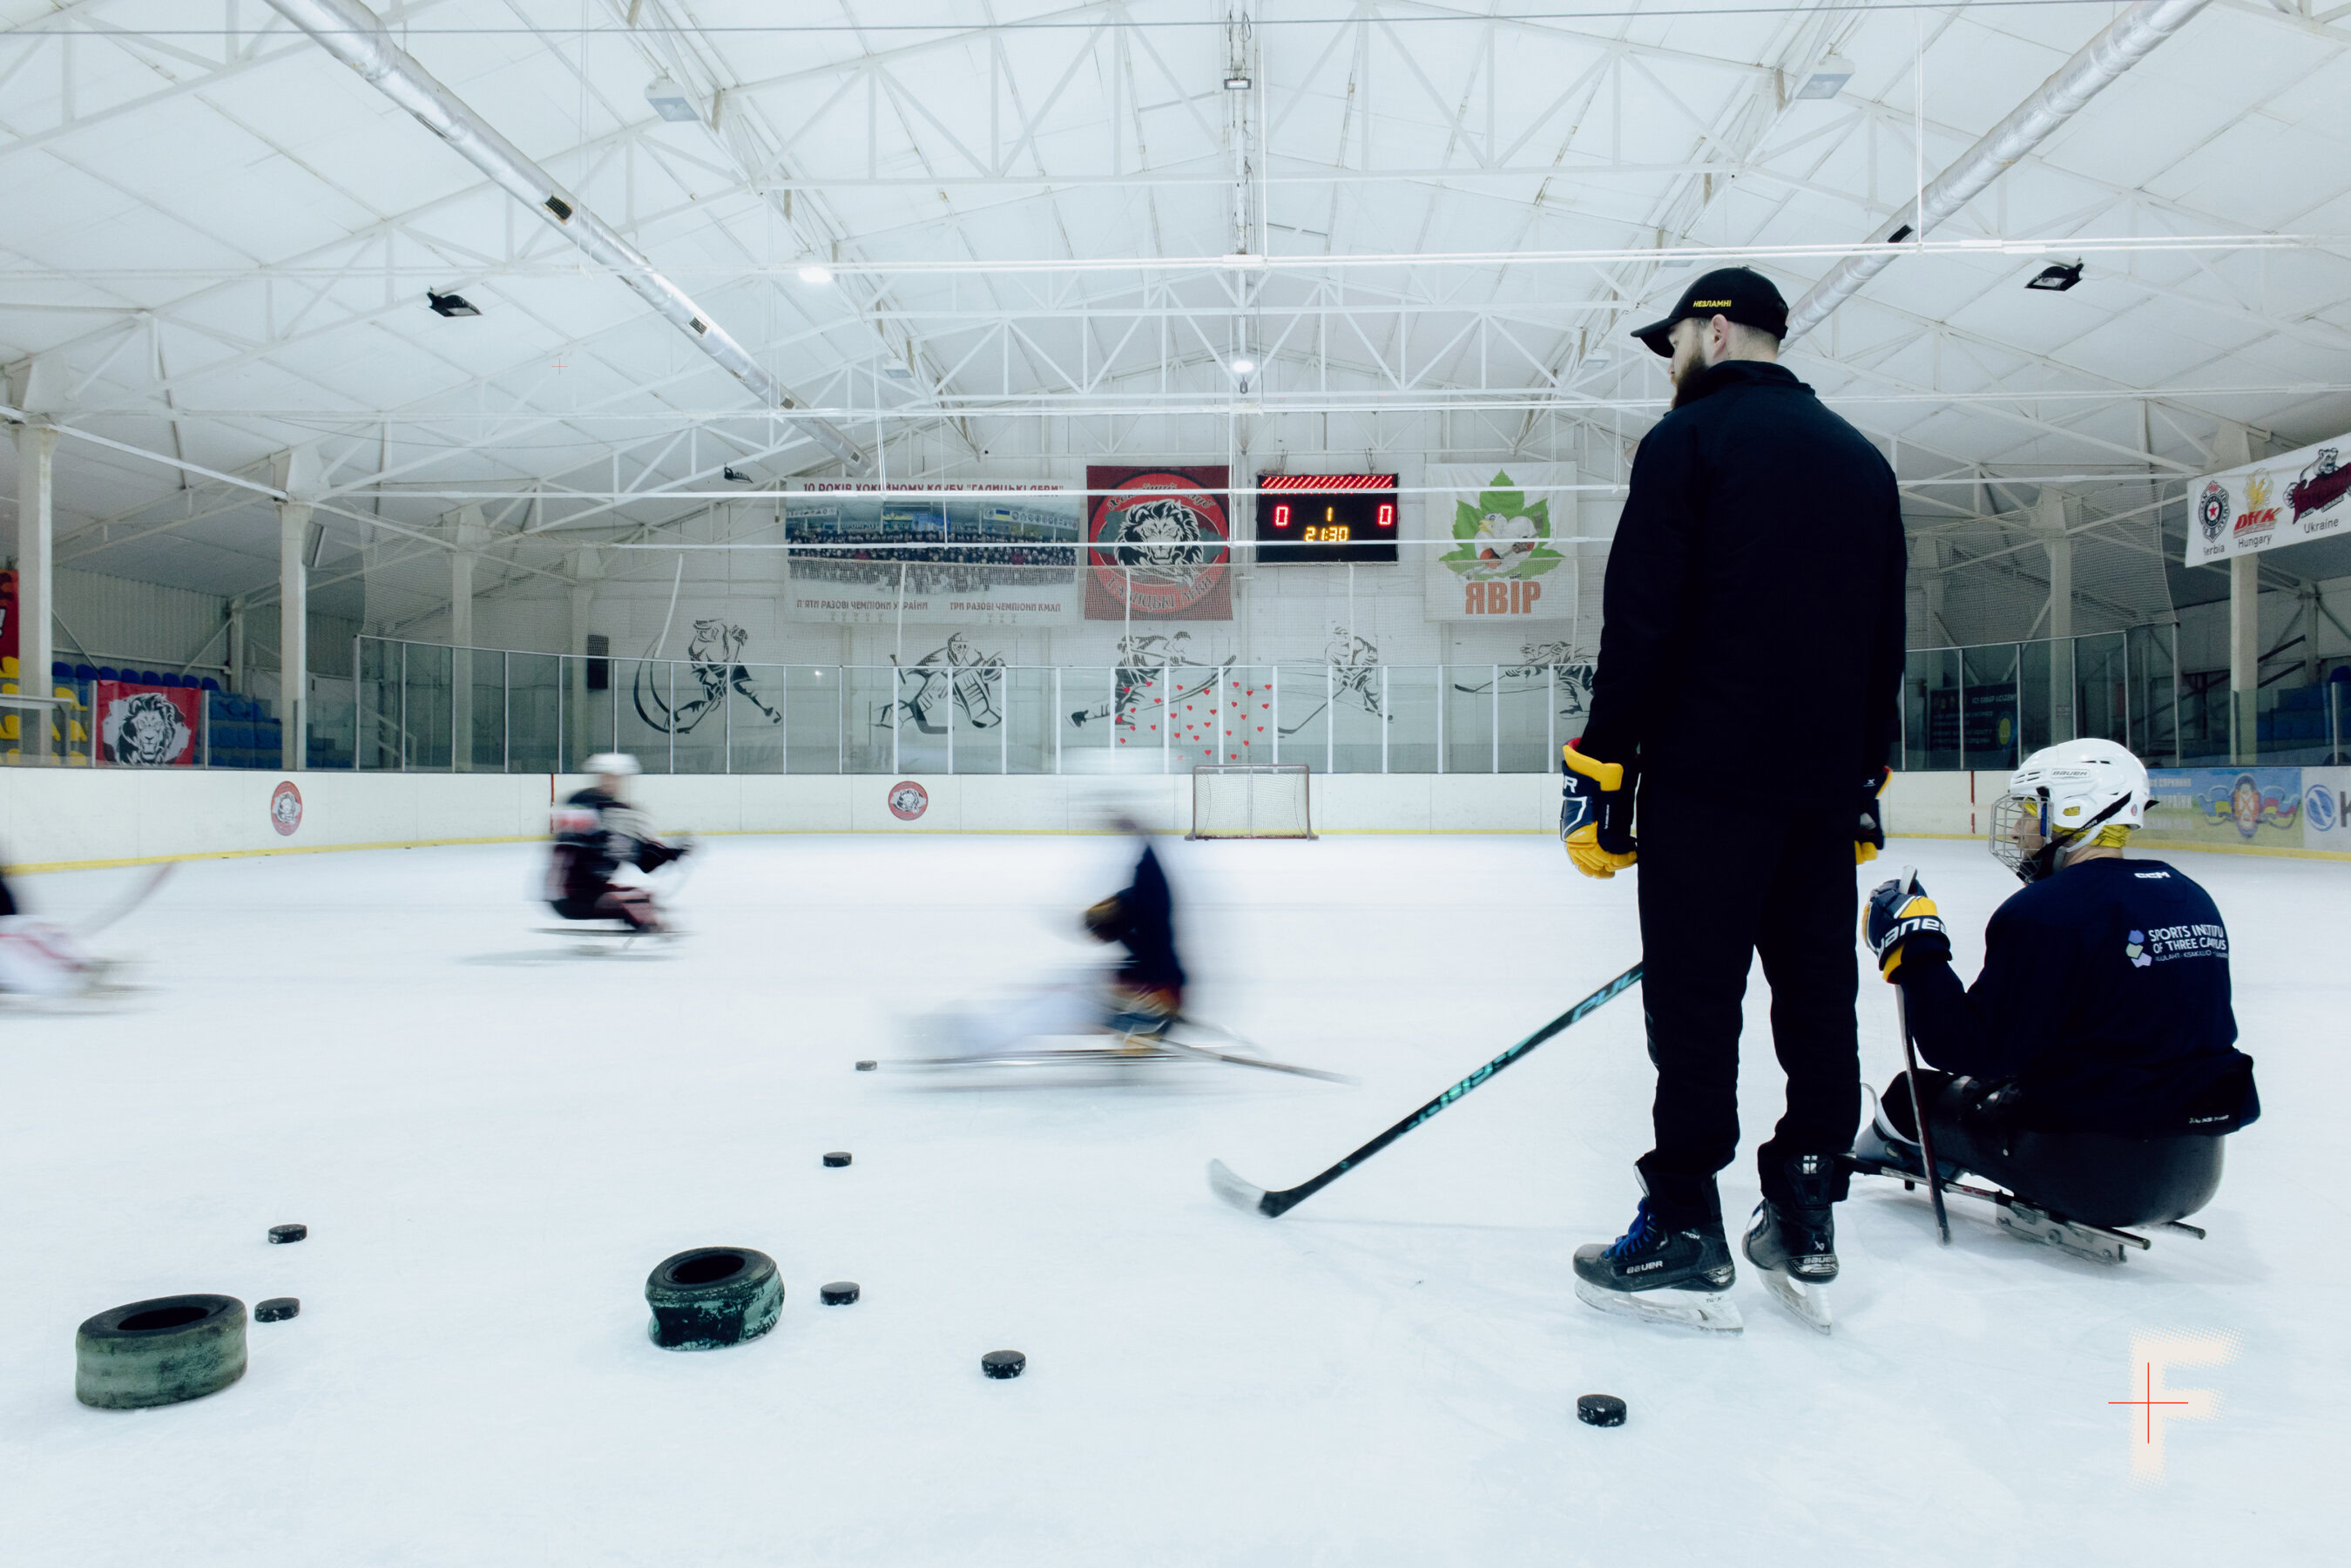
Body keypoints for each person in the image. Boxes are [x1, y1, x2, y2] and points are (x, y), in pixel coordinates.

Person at [1564, 266, 1908, 1332]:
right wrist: (1864, 776)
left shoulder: (1688, 441)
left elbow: (1643, 616)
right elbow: (1883, 631)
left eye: (1670, 343)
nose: (1667, 364)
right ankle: (1804, 1207)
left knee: (1695, 1002)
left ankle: (1681, 1221)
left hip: (1707, 779)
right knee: (1817, 997)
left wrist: (1601, 767)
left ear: (1713, 332)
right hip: (1820, 786)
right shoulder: (1858, 457)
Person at [1860, 740, 2259, 1240]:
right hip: (2196, 1169)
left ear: (2071, 810)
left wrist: (1915, 946)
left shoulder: (2047, 909)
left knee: (1909, 1097)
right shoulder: (2188, 895)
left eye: (2030, 811)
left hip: (2087, 1170)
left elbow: (1967, 1050)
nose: (2019, 829)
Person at [546, 754, 692, 933]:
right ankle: (651, 927)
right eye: (606, 776)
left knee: (644, 898)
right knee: (637, 901)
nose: (610, 782)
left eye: (616, 778)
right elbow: (577, 846)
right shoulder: (585, 805)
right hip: (570, 896)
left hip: (588, 891)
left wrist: (673, 852)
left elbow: (644, 860)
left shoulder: (617, 811)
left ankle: (645, 923)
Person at [1083, 818, 1188, 1041]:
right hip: (1160, 986)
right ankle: (1134, 1022)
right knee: (1122, 974)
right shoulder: (1137, 915)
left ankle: (1143, 1023)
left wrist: (1139, 831)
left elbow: (1151, 874)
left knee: (1127, 975)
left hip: (1163, 989)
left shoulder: (1147, 906)